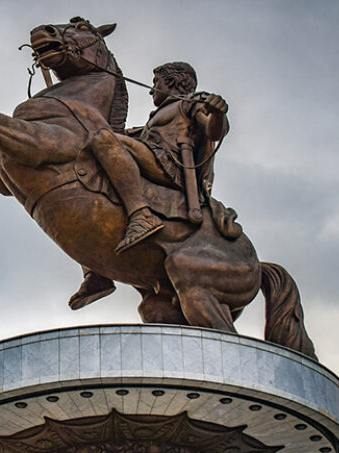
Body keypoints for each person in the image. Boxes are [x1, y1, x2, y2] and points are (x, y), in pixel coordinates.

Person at [69, 62, 230, 310]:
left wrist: (217, 113)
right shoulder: (156, 118)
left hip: (170, 165)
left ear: (173, 82)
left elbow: (213, 131)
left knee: (102, 138)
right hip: (151, 160)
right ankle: (95, 271)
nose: (151, 89)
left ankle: (141, 215)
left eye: (156, 83)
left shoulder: (189, 103)